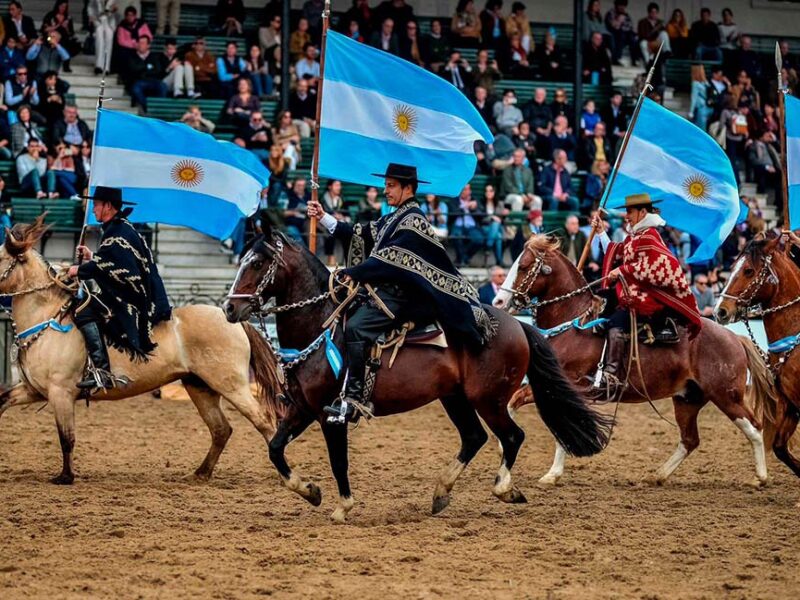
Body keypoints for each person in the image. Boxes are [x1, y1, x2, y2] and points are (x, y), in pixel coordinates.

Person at [307, 163, 494, 422]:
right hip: (391, 293)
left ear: (408, 188)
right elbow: (361, 233)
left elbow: (388, 259)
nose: (386, 191)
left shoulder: (413, 221)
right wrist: (323, 217)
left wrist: (354, 272)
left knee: (356, 328)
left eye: (391, 186)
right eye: (386, 186)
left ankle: (353, 397)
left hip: (408, 298)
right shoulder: (395, 217)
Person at [591, 194, 702, 395]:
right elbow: (617, 253)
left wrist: (623, 271)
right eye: (626, 212)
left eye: (630, 212)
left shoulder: (649, 235)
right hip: (634, 289)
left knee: (616, 323)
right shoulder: (635, 237)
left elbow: (656, 267)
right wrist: (600, 232)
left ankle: (612, 374)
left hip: (649, 296)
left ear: (642, 212)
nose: (626, 216)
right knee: (603, 300)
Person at [67, 186, 171, 391]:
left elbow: (121, 270)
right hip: (130, 291)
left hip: (132, 297)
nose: (93, 210)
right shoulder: (118, 229)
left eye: (96, 205)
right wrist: (92, 256)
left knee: (82, 310)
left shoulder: (118, 233)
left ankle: (102, 371)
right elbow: (111, 261)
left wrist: (78, 270)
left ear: (108, 206)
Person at [127, 36, 167, 111]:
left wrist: (142, 69)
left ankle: (158, 108)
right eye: (139, 43)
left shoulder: (154, 57)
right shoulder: (132, 56)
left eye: (142, 43)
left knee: (163, 86)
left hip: (153, 81)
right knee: (136, 88)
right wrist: (147, 68)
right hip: (139, 81)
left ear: (148, 45)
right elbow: (133, 70)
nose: (140, 45)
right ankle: (146, 107)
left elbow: (157, 70)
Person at [451, 183, 485, 266]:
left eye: (467, 189)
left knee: (479, 240)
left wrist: (474, 209)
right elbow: (453, 213)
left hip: (472, 227)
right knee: (456, 236)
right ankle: (462, 260)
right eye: (463, 189)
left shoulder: (475, 200)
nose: (465, 192)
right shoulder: (454, 200)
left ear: (470, 191)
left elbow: (482, 215)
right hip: (458, 226)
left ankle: (463, 258)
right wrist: (465, 206)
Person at [87, 0, 121, 74]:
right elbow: (90, 7)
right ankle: (98, 65)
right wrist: (92, 17)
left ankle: (106, 67)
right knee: (99, 42)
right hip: (99, 20)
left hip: (110, 21)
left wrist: (114, 10)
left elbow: (118, 11)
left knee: (108, 44)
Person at [604, 0, 636, 66]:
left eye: (623, 6)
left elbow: (630, 26)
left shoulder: (626, 15)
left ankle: (634, 60)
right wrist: (619, 20)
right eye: (620, 5)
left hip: (625, 34)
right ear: (617, 5)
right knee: (621, 34)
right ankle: (616, 58)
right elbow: (613, 26)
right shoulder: (611, 13)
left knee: (632, 37)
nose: (622, 7)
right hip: (613, 33)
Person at [688, 63, 713, 132]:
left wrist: (691, 112)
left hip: (699, 108)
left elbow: (694, 98)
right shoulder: (706, 83)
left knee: (698, 130)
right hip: (706, 107)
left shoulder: (695, 83)